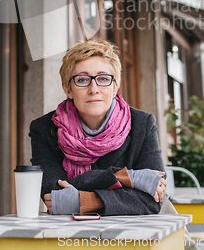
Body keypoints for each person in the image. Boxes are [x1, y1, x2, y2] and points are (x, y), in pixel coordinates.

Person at [29, 39, 167, 216]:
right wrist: (127, 177)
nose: (94, 89)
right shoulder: (44, 129)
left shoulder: (142, 124)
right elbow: (53, 195)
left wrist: (86, 201)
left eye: (103, 79)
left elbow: (152, 201)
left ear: (115, 87)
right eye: (82, 79)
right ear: (68, 89)